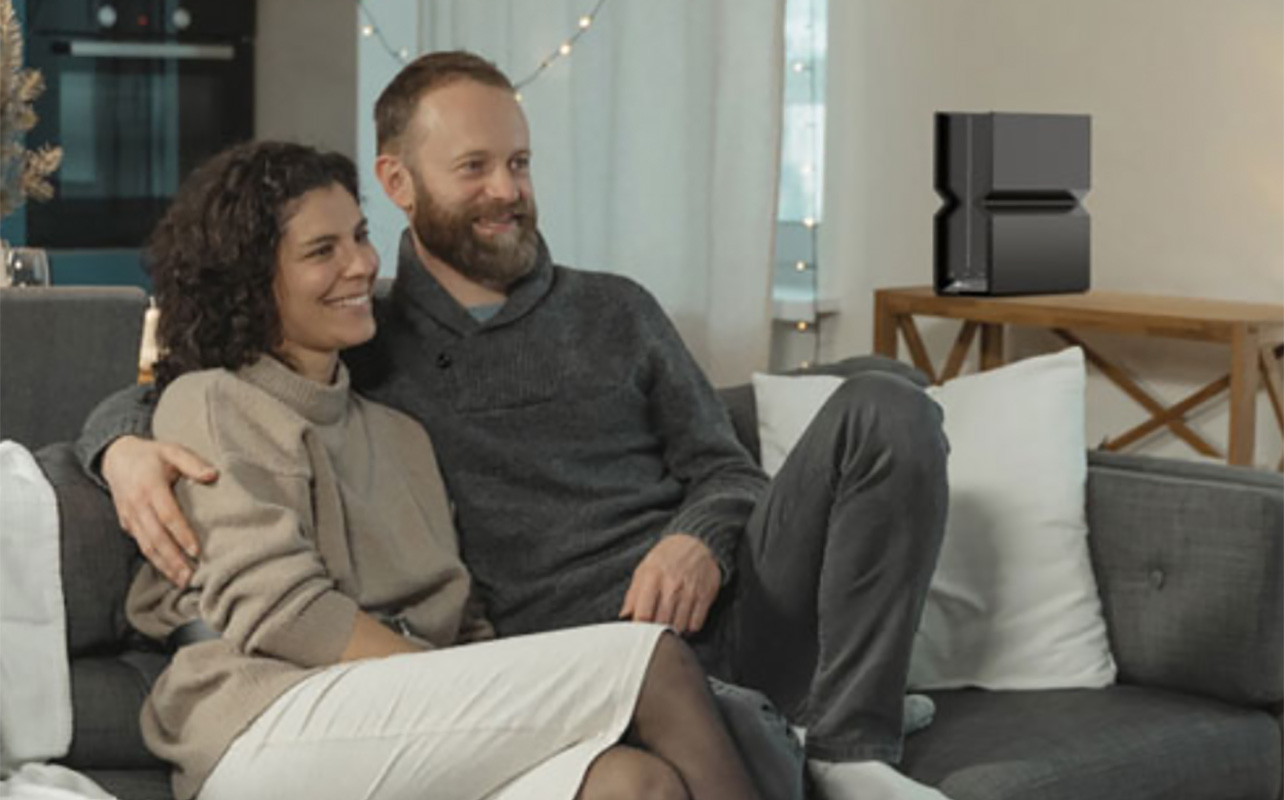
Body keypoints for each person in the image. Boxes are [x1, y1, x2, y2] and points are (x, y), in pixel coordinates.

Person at [81, 52, 950, 799]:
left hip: (716, 618)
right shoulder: (372, 337)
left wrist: (698, 539)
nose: (508, 191)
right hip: (567, 663)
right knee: (657, 740)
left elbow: (727, 471)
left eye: (521, 163)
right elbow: (218, 388)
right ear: (400, 183)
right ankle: (771, 731)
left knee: (887, 403)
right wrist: (117, 446)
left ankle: (849, 749)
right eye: (474, 168)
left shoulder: (616, 312)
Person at [127, 139, 763, 800]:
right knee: (653, 660)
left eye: (360, 237)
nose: (362, 265)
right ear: (250, 281)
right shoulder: (214, 402)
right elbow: (285, 614)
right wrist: (479, 693)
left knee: (636, 784)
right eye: (323, 251)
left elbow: (464, 619)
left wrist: (475, 696)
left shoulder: (398, 435)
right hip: (265, 725)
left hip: (408, 724)